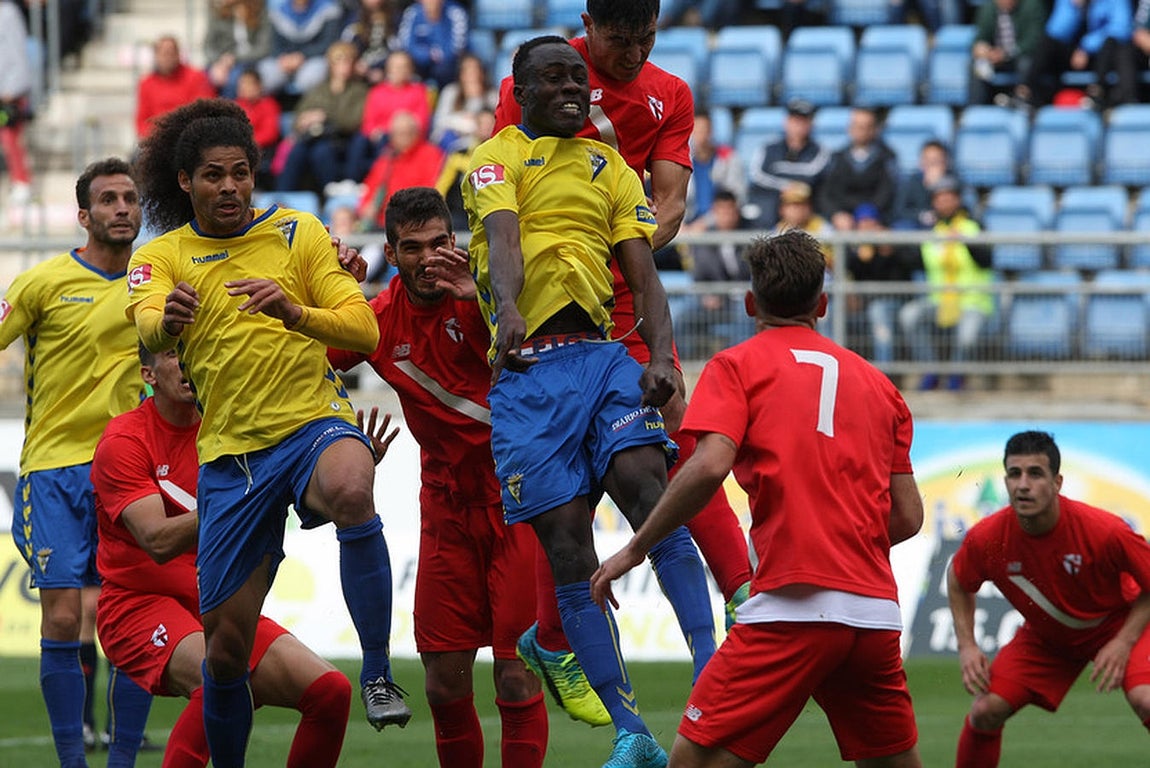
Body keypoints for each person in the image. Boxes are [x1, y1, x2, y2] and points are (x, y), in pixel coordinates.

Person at [125, 98, 408, 767]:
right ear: (186, 182)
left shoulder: (300, 233)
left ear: (255, 175)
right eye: (214, 175)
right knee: (225, 654)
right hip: (231, 461)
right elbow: (142, 322)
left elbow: (364, 328)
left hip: (311, 424)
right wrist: (167, 319)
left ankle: (375, 671)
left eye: (241, 172)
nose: (230, 186)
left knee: (352, 485)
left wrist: (296, 310)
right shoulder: (162, 256)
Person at [492, 1, 752, 726]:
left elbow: (668, 203)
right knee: (566, 484)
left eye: (646, 39)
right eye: (619, 38)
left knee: (675, 421)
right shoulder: (546, 71)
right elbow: (511, 194)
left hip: (624, 294)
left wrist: (625, 240)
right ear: (588, 22)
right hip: (549, 310)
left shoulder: (670, 94)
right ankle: (553, 638)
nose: (633, 52)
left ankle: (739, 592)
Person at [591, 228, 925, 768]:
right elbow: (908, 516)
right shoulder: (880, 386)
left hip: (791, 604)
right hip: (873, 614)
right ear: (821, 303)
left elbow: (709, 465)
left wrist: (634, 550)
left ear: (751, 303)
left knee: (691, 762)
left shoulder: (736, 366)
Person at [329, 187, 549, 768]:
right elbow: (303, 361)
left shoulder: (493, 298)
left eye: (439, 243)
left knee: (516, 673)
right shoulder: (375, 322)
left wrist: (482, 304)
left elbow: (539, 366)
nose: (429, 258)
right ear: (392, 253)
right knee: (443, 683)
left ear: (456, 242)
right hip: (446, 507)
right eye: (413, 247)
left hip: (517, 501)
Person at [92, 343, 354, 768]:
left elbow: (288, 498)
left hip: (214, 602)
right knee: (220, 677)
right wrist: (239, 500)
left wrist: (345, 483)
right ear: (148, 374)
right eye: (174, 355)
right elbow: (157, 541)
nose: (187, 362)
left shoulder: (235, 431)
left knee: (331, 693)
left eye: (192, 350)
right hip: (135, 606)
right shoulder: (124, 440)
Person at [0, 157, 156, 768]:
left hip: (129, 470)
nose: (123, 208)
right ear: (84, 215)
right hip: (54, 470)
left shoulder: (154, 285)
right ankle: (72, 762)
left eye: (131, 199)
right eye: (110, 200)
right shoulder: (42, 283)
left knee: (134, 616)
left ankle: (121, 762)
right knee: (65, 616)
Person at [948, 430, 1150, 768]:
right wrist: (967, 645)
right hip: (1050, 638)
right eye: (1015, 474)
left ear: (1057, 482)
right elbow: (958, 581)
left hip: (1119, 625)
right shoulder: (988, 538)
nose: (1023, 484)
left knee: (1146, 700)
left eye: (1035, 473)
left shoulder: (1105, 530)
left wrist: (1123, 642)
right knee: (985, 711)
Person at [897, 175, 994, 392]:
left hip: (972, 300)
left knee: (967, 336)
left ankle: (956, 376)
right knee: (910, 315)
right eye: (939, 198)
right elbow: (917, 260)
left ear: (958, 199)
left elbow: (987, 261)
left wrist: (966, 242)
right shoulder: (932, 232)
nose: (944, 202)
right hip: (939, 301)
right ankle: (931, 370)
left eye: (949, 197)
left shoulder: (974, 227)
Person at [273, 40, 369, 195]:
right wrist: (304, 120)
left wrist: (324, 116)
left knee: (321, 151)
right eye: (339, 61)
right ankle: (282, 196)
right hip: (313, 136)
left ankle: (330, 194)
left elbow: (354, 121)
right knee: (297, 150)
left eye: (347, 61)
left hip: (342, 140)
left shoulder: (359, 91)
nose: (344, 66)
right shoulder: (319, 89)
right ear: (331, 64)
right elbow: (298, 116)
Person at [1024, 0, 1138, 109]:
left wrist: (1086, 47)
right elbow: (1056, 30)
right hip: (1075, 57)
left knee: (1113, 45)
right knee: (1048, 44)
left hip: (1103, 55)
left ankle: (1097, 94)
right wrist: (1076, 9)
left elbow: (1121, 29)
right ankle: (1026, 93)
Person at [347, 49, 433, 183]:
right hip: (377, 136)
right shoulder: (377, 92)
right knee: (359, 141)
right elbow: (368, 121)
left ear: (410, 70)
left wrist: (390, 130)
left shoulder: (418, 91)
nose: (399, 70)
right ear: (388, 69)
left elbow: (420, 122)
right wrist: (374, 131)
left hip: (402, 135)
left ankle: (380, 181)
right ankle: (351, 181)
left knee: (386, 140)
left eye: (403, 66)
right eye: (395, 66)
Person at [747, 98, 830, 230]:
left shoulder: (819, 151)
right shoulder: (769, 149)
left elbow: (812, 174)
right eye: (795, 120)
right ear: (786, 122)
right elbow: (756, 175)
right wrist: (786, 186)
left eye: (803, 121)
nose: (798, 126)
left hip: (807, 214)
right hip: (772, 211)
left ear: (811, 124)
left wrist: (779, 172)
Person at [356, 109, 446, 231]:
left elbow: (432, 191)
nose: (403, 138)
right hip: (384, 225)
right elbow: (370, 188)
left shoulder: (431, 154)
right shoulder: (387, 158)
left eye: (407, 133)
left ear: (416, 133)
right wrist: (366, 206)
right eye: (398, 134)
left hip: (416, 223)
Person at [818, 107, 899, 231]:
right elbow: (827, 193)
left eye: (866, 126)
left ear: (874, 129)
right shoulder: (837, 158)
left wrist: (868, 215)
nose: (861, 131)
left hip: (875, 219)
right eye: (856, 125)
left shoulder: (886, 157)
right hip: (843, 220)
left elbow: (886, 192)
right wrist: (836, 214)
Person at [257, 0, 345, 97]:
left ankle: (310, 106)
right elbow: (273, 44)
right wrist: (284, 58)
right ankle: (267, 109)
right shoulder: (279, 11)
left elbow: (328, 43)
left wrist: (302, 56)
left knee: (312, 77)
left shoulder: (327, 10)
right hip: (285, 60)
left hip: (312, 58)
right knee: (267, 74)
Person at [135, 36, 216, 139]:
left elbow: (203, 111)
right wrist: (154, 136)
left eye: (171, 52)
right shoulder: (146, 83)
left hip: (188, 137)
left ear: (178, 54)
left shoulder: (196, 77)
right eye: (164, 53)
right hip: (156, 139)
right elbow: (141, 121)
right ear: (156, 55)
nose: (168, 57)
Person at [969, 0, 1044, 106]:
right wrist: (983, 50)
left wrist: (1006, 53)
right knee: (978, 64)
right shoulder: (988, 9)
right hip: (994, 57)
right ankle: (977, 107)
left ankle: (1025, 102)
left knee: (1027, 62)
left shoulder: (1032, 6)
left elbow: (1033, 40)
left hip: (1019, 56)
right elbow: (980, 38)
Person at [0, 0, 34, 207]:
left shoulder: (8, 13)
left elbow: (17, 52)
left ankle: (22, 182)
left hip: (8, 92)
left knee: (10, 136)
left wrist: (12, 88)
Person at [203, 0, 272, 99]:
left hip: (251, 60)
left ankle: (230, 111)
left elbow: (263, 49)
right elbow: (208, 46)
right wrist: (220, 62)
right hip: (223, 60)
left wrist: (234, 58)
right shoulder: (218, 13)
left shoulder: (259, 11)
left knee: (234, 80)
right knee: (205, 79)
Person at [396, 0, 469, 90]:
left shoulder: (455, 12)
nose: (431, 2)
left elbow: (457, 45)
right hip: (419, 62)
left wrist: (439, 55)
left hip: (447, 63)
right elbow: (406, 43)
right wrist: (427, 55)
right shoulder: (412, 12)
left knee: (444, 70)